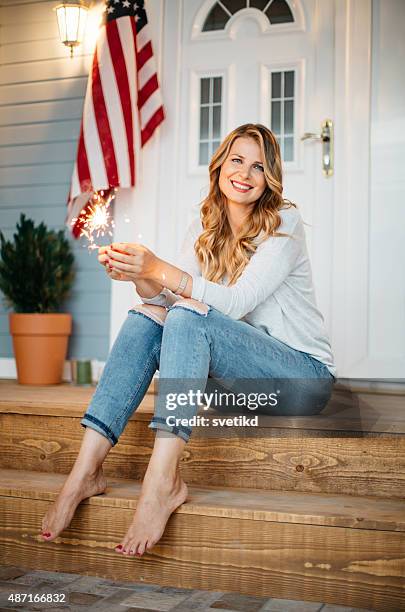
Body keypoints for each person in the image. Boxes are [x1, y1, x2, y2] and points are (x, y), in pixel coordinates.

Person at [40, 123, 336, 557]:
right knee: (147, 316)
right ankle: (83, 472)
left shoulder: (284, 225)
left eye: (258, 166)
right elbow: (168, 295)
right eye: (237, 160)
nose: (245, 173)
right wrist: (141, 276)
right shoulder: (207, 223)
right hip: (236, 387)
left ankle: (161, 481)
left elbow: (236, 302)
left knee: (189, 314)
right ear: (220, 165)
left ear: (270, 177)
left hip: (302, 381)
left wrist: (159, 269)